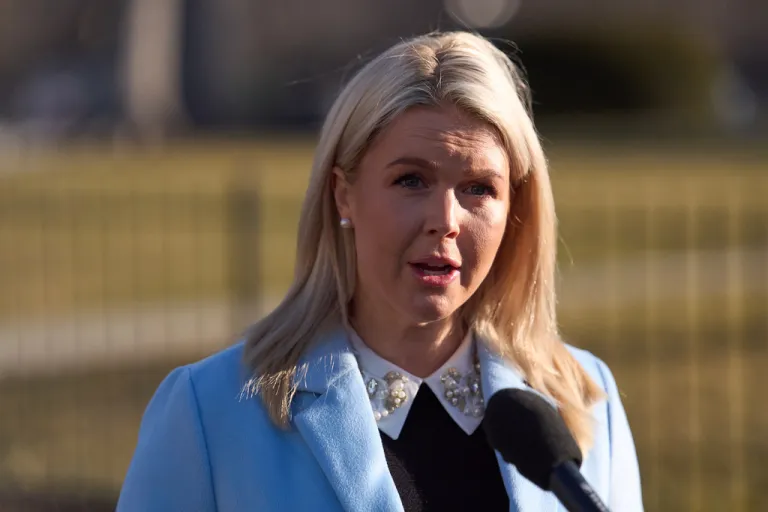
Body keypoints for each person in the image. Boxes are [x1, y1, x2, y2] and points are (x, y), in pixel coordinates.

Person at [117, 31, 643, 511]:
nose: (445, 222)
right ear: (344, 193)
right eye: (412, 180)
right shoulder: (210, 413)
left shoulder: (585, 398)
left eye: (479, 188)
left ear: (515, 208)